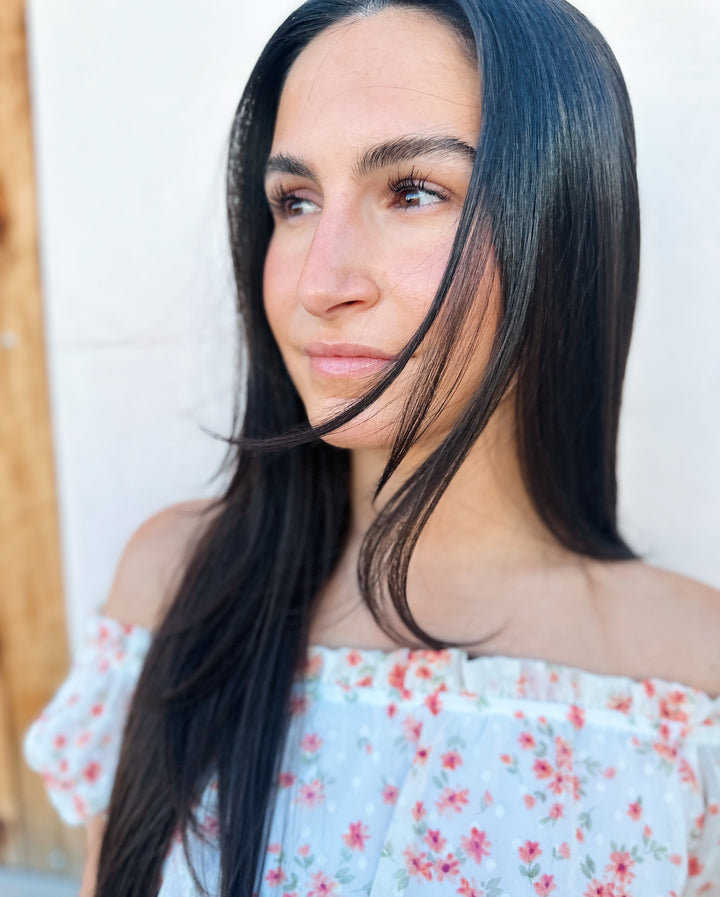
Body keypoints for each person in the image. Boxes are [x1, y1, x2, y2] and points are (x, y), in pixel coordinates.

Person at [24, 0, 720, 895]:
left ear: (561, 217)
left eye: (414, 191)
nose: (321, 280)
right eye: (296, 200)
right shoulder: (175, 585)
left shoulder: (688, 682)